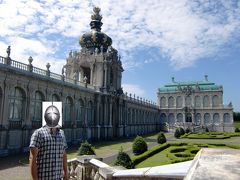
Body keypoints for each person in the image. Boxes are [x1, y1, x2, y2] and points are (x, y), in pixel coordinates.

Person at [29, 105, 68, 180]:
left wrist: (66, 174)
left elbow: (64, 156)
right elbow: (32, 159)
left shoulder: (62, 134)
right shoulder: (38, 133)